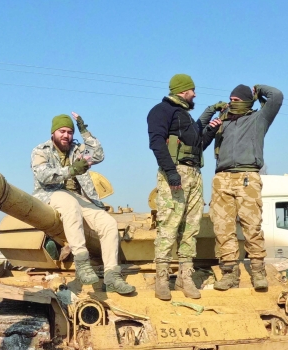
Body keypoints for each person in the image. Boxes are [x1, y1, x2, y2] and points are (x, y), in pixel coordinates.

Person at [31, 113, 134, 294]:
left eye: (70, 132)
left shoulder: (78, 150)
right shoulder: (41, 151)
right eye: (62, 131)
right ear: (53, 132)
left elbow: (99, 155)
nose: (66, 135)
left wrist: (84, 131)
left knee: (108, 223)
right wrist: (71, 170)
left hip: (79, 197)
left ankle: (111, 275)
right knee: (69, 205)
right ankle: (82, 261)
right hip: (50, 194)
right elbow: (43, 176)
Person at [200, 84, 283, 291]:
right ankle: (229, 275)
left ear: (246, 101)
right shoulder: (223, 123)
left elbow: (277, 97)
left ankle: (257, 272)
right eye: (230, 100)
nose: (231, 103)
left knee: (252, 226)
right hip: (222, 177)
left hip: (248, 177)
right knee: (222, 228)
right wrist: (211, 111)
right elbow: (198, 136)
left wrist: (259, 89)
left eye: (236, 100)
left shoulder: (258, 119)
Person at [147, 74, 211, 301]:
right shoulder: (161, 110)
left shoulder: (185, 116)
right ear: (183, 91)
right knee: (169, 225)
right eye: (192, 90)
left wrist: (210, 127)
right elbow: (156, 142)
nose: (195, 94)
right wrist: (171, 173)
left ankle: (185, 277)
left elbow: (197, 144)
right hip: (175, 174)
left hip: (194, 173)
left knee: (191, 227)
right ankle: (162, 280)